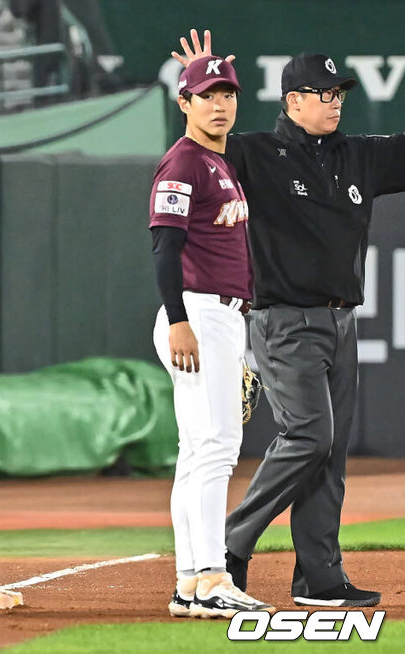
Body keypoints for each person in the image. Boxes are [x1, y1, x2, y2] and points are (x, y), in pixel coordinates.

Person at [174, 29, 392, 607]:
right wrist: (200, 84)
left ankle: (320, 577)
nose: (334, 101)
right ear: (292, 100)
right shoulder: (255, 153)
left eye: (339, 92)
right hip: (283, 320)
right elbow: (200, 148)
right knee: (309, 436)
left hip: (341, 321)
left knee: (331, 449)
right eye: (322, 93)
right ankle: (228, 548)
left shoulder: (359, 154)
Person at [149, 55, 274, 619]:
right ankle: (211, 577)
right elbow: (164, 247)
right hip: (197, 315)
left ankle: (189, 582)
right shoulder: (184, 162)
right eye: (206, 94)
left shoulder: (217, 161)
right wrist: (179, 319)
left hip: (216, 316)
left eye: (227, 94)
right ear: (184, 104)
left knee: (197, 451)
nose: (219, 104)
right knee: (217, 449)